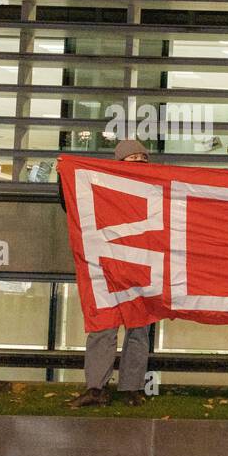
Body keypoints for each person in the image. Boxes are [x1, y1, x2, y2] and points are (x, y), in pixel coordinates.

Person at [71, 138, 155, 407]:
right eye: (134, 159)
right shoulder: (100, 186)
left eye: (144, 159)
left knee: (138, 329)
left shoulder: (155, 188)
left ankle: (130, 387)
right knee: (103, 328)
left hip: (141, 267)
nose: (140, 163)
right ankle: (96, 387)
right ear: (119, 163)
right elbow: (72, 201)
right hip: (107, 267)